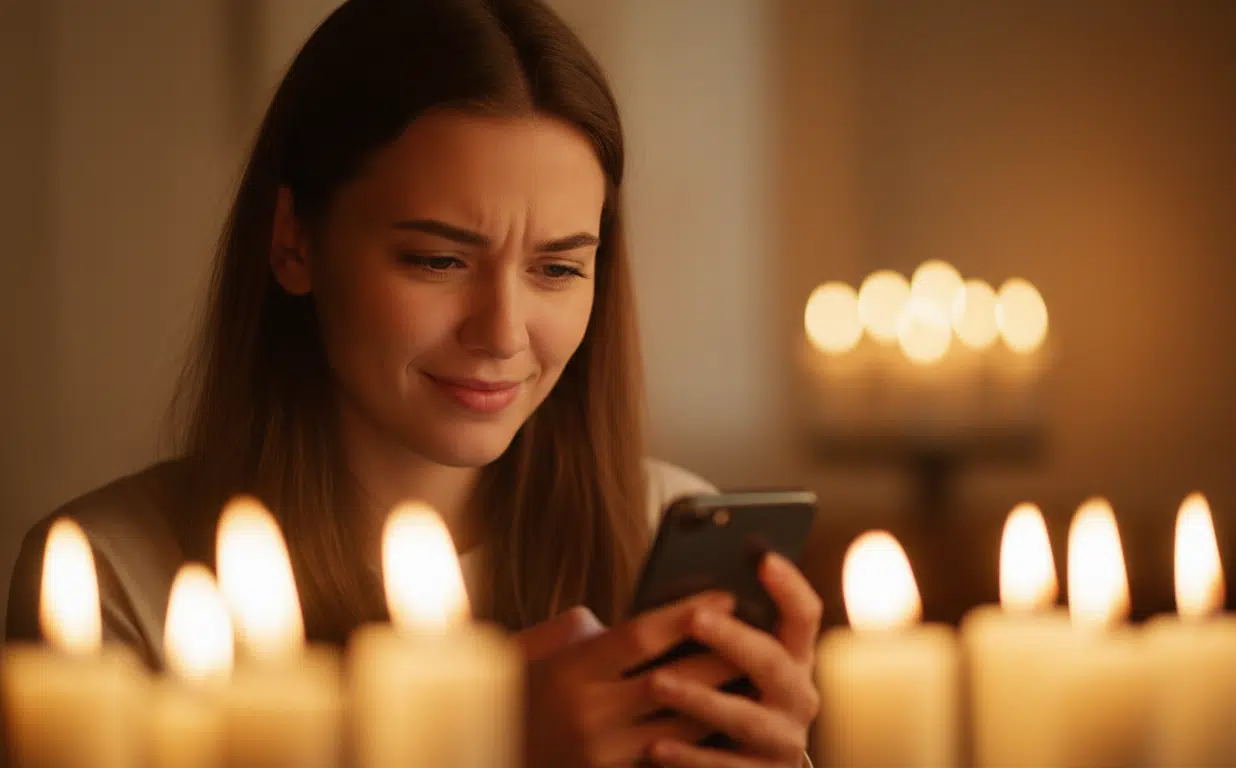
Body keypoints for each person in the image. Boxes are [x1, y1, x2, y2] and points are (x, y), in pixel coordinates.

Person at [4, 0, 821, 766]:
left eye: (558, 267)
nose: (501, 332)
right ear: (294, 242)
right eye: (437, 260)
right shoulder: (114, 577)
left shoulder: (655, 530)